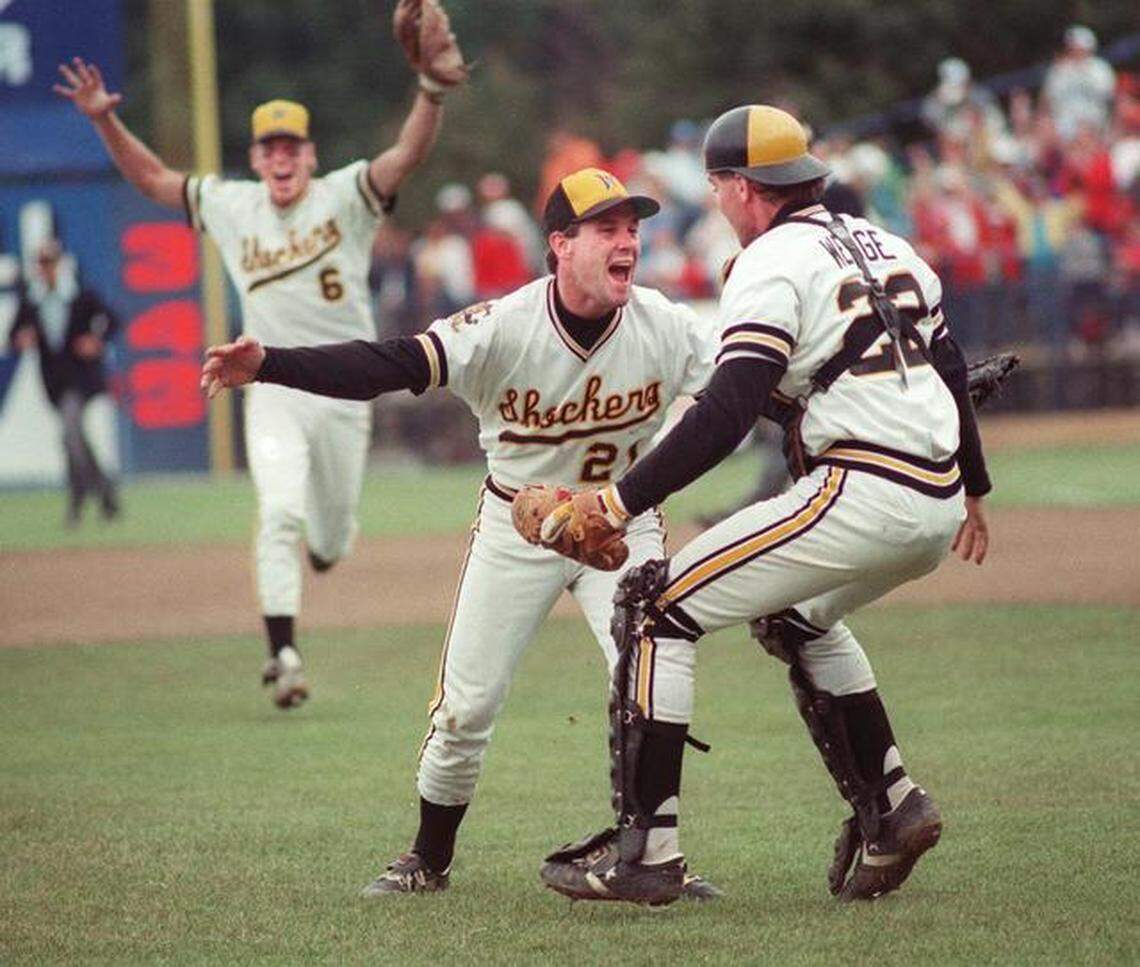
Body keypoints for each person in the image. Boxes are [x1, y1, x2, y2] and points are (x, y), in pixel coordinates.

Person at [200, 168, 724, 899]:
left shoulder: (664, 325)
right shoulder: (504, 326)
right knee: (465, 707)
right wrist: (272, 366)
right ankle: (428, 856)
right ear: (560, 245)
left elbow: (742, 384)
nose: (627, 241)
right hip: (519, 527)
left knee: (651, 679)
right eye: (607, 228)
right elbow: (388, 363)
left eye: (633, 228)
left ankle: (653, 851)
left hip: (620, 524)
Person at [534, 105, 992, 907]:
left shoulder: (771, 260)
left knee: (653, 606)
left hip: (862, 487)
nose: (716, 201)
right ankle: (893, 805)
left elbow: (725, 411)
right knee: (795, 616)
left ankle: (649, 851)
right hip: (938, 495)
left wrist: (618, 499)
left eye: (717, 186)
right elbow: (948, 368)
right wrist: (977, 488)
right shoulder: (890, 244)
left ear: (742, 187)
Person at [55, 11, 461, 710]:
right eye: (268, 147)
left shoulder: (345, 196)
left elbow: (406, 156)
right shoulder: (232, 204)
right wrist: (103, 121)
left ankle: (328, 547)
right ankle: (284, 651)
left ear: (309, 154)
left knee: (329, 539)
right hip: (270, 382)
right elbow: (153, 179)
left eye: (291, 146)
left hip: (346, 388)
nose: (280, 158)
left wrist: (430, 89)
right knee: (276, 510)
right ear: (255, 158)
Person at [9, 239, 120, 527]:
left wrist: (96, 341)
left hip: (81, 380)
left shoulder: (80, 296)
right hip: (54, 384)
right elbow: (14, 336)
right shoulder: (32, 302)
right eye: (41, 264)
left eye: (50, 262)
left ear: (60, 264)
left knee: (70, 434)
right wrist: (22, 339)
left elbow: (112, 320)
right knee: (75, 439)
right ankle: (106, 492)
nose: (46, 269)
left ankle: (77, 499)